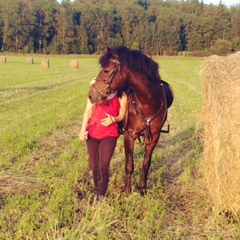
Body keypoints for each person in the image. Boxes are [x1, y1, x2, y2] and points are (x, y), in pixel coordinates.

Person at [79, 90, 127, 199]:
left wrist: (113, 119)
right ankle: (97, 188)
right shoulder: (95, 91)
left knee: (103, 165)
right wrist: (82, 130)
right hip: (92, 133)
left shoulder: (121, 94)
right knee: (94, 165)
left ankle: (101, 196)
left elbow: (122, 114)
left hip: (109, 134)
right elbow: (88, 111)